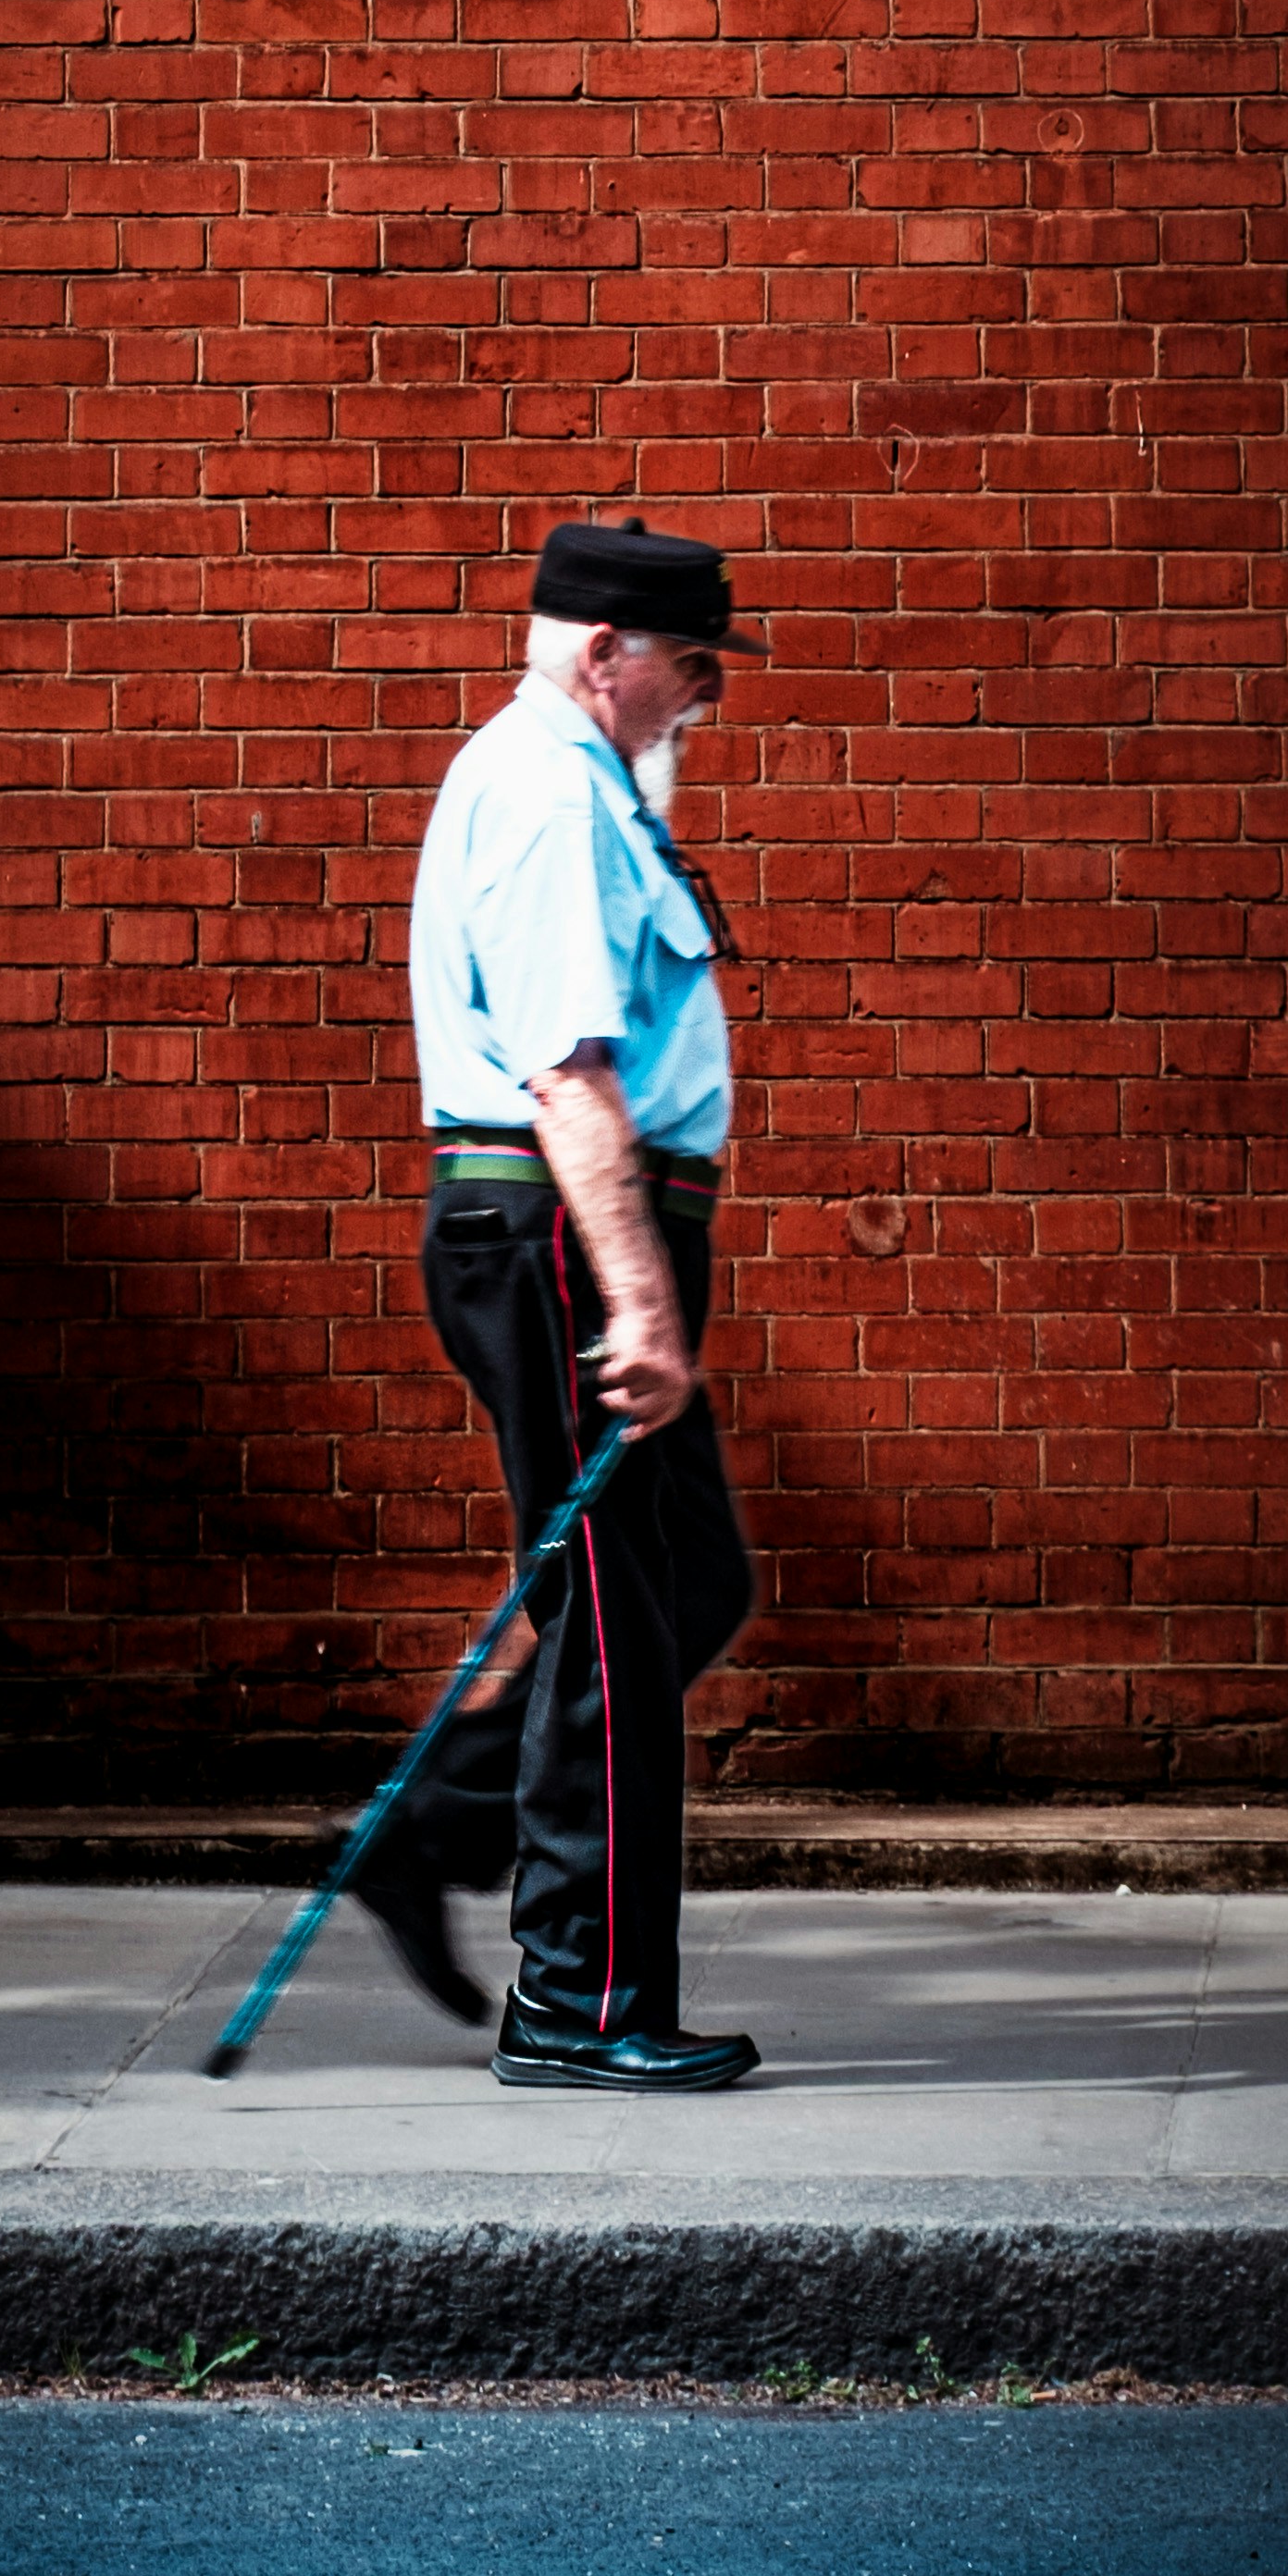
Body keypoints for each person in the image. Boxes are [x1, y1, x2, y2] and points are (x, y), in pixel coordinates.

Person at [354, 517, 765, 2089]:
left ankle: (437, 1823)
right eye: (693, 666)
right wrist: (640, 1305)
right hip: (558, 1231)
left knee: (688, 1581)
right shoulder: (543, 798)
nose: (707, 695)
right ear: (606, 652)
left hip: (584, 1230)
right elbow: (566, 1070)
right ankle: (580, 2005)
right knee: (612, 1613)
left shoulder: (593, 784)